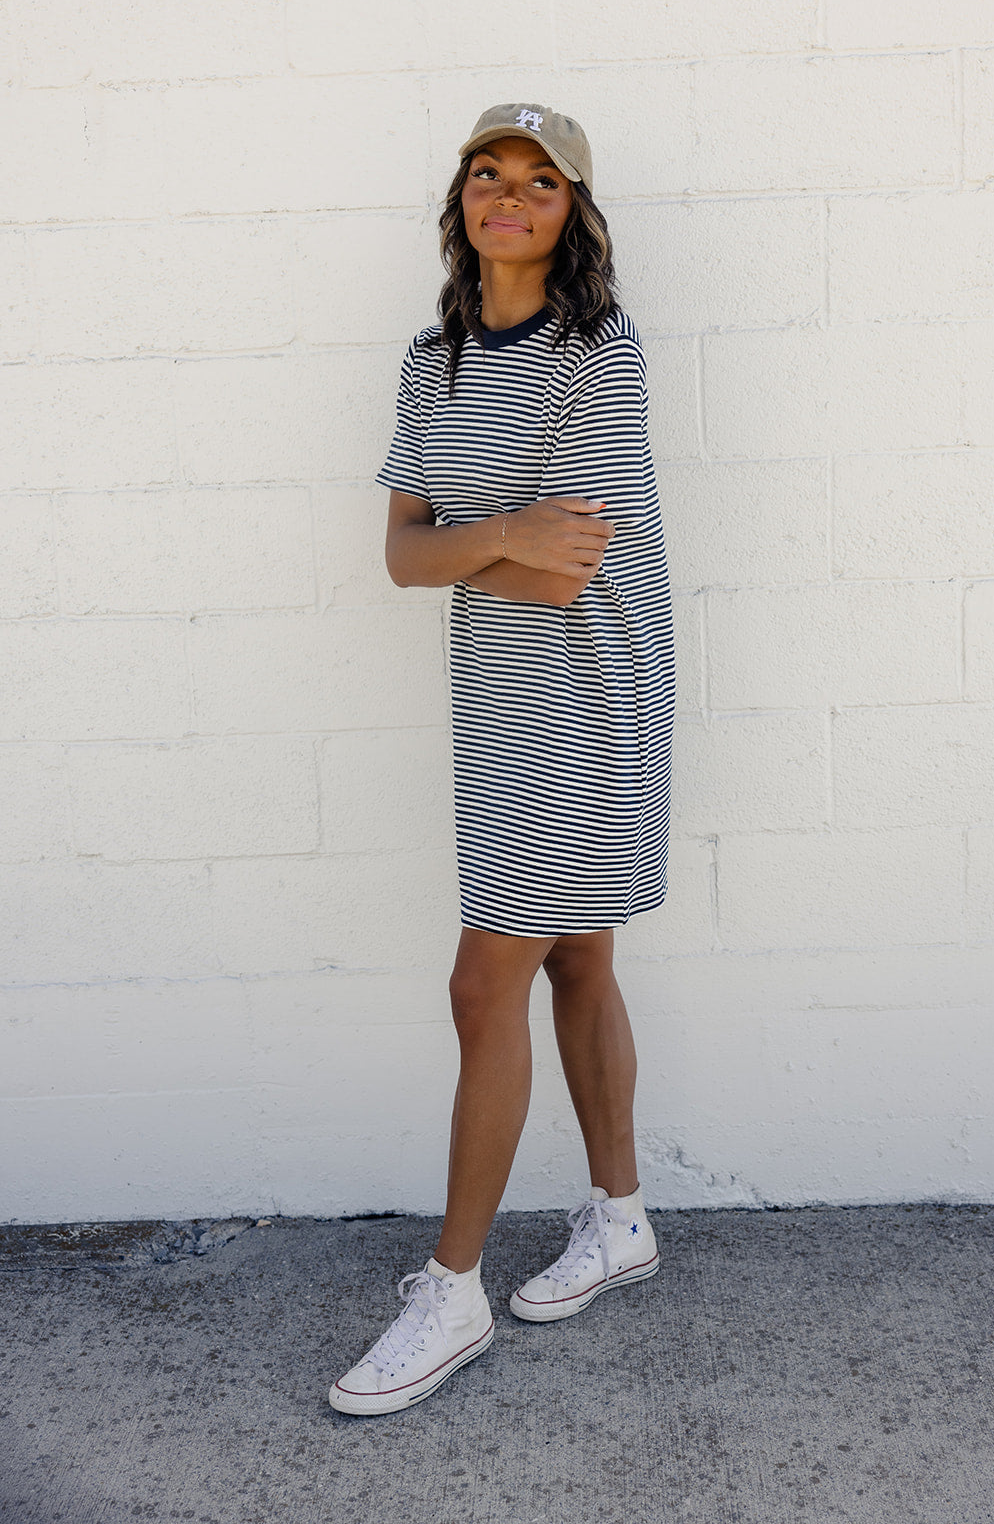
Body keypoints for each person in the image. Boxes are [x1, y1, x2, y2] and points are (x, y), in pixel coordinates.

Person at [329, 103, 674, 1416]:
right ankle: (622, 1220)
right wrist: (502, 530)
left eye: (540, 180)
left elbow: (563, 566)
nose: (509, 196)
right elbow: (398, 556)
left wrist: (481, 541)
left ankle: (453, 1287)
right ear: (461, 203)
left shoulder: (603, 347)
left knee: (488, 983)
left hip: (598, 685)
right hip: (499, 701)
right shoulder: (432, 363)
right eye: (488, 175)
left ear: (574, 209)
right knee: (575, 955)